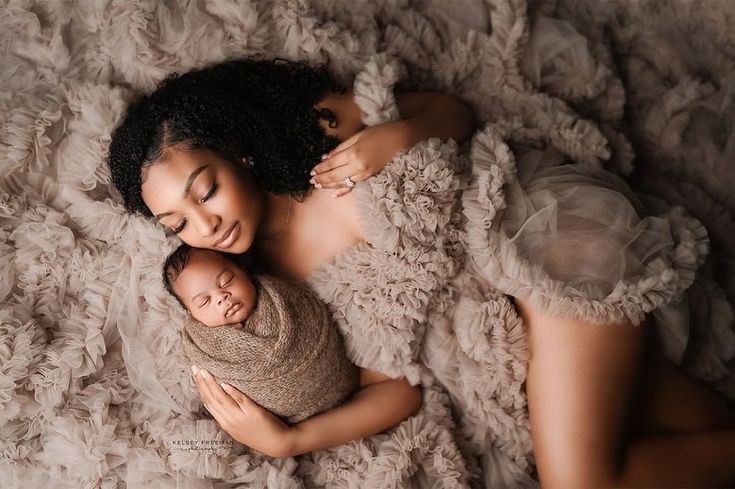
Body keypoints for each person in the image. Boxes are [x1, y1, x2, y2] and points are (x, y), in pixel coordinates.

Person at [108, 58, 735, 487]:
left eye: (206, 189)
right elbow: (398, 387)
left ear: (237, 153)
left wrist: (400, 133)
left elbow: (451, 113)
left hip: (538, 248)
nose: (204, 224)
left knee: (582, 481)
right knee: (703, 432)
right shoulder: (271, 293)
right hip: (506, 344)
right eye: (177, 223)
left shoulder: (316, 134)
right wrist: (287, 443)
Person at [160, 243, 422, 457]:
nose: (221, 297)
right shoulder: (204, 347)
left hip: (347, 380)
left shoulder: (282, 295)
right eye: (204, 301)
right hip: (283, 423)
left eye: (226, 281)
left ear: (242, 271)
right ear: (191, 315)